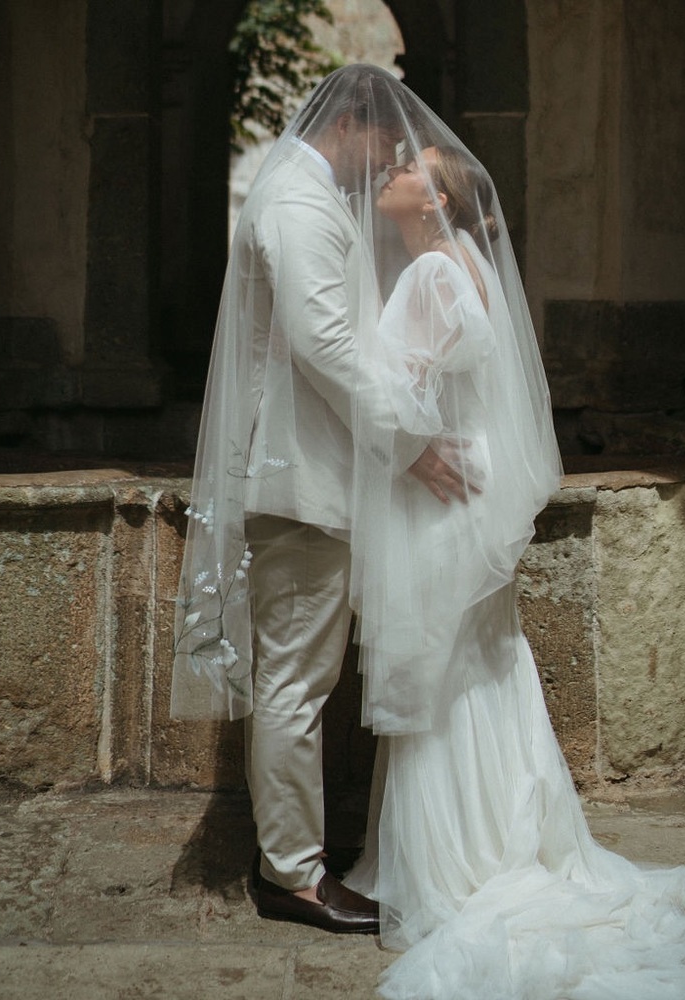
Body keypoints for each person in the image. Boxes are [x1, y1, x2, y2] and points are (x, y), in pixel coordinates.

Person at [342, 141, 685, 999]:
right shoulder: (469, 266)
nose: (391, 171)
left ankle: (449, 865)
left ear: (436, 200)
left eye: (409, 168)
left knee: (438, 675)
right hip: (469, 488)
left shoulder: (431, 274)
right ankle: (502, 842)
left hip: (439, 490)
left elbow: (396, 398)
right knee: (480, 668)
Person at [171, 64, 468, 935]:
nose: (388, 164)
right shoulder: (299, 203)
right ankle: (292, 876)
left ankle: (294, 855)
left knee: (301, 677)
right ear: (349, 124)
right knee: (296, 684)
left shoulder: (303, 192)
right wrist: (411, 444)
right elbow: (326, 345)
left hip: (313, 472)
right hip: (303, 480)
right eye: (385, 145)